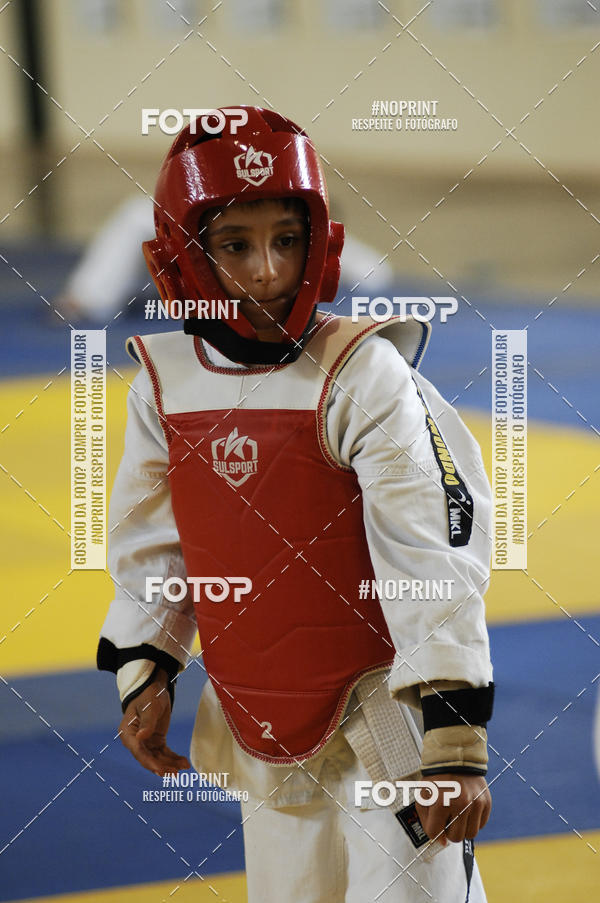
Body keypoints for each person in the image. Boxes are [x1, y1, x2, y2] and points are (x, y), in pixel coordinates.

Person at [98, 106, 494, 902]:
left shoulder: (363, 373)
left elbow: (429, 548)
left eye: (287, 240)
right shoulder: (165, 384)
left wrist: (454, 728)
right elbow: (157, 543)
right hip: (258, 715)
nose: (268, 271)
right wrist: (149, 664)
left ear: (320, 242)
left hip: (382, 710)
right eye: (235, 245)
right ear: (183, 252)